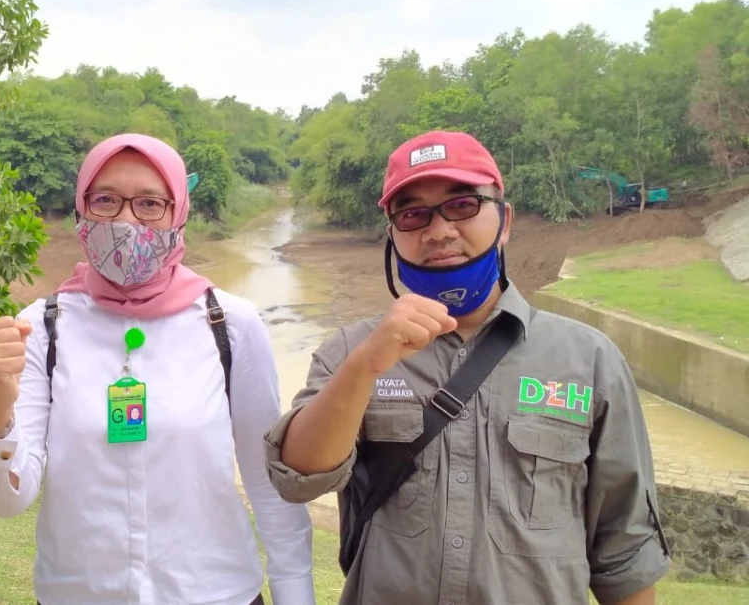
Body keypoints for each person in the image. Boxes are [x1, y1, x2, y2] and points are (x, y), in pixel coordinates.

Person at [264, 130, 671, 605]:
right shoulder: (350, 350)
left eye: (462, 205)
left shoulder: (590, 359)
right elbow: (298, 477)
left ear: (505, 221)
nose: (438, 231)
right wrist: (363, 367)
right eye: (413, 213)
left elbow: (624, 547)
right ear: (393, 234)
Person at [0, 134, 316, 605]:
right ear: (80, 209)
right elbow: (8, 500)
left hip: (215, 593)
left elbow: (267, 480)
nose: (126, 221)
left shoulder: (229, 324)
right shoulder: (42, 327)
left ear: (179, 213)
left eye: (150, 204)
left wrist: (297, 594)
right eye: (106, 200)